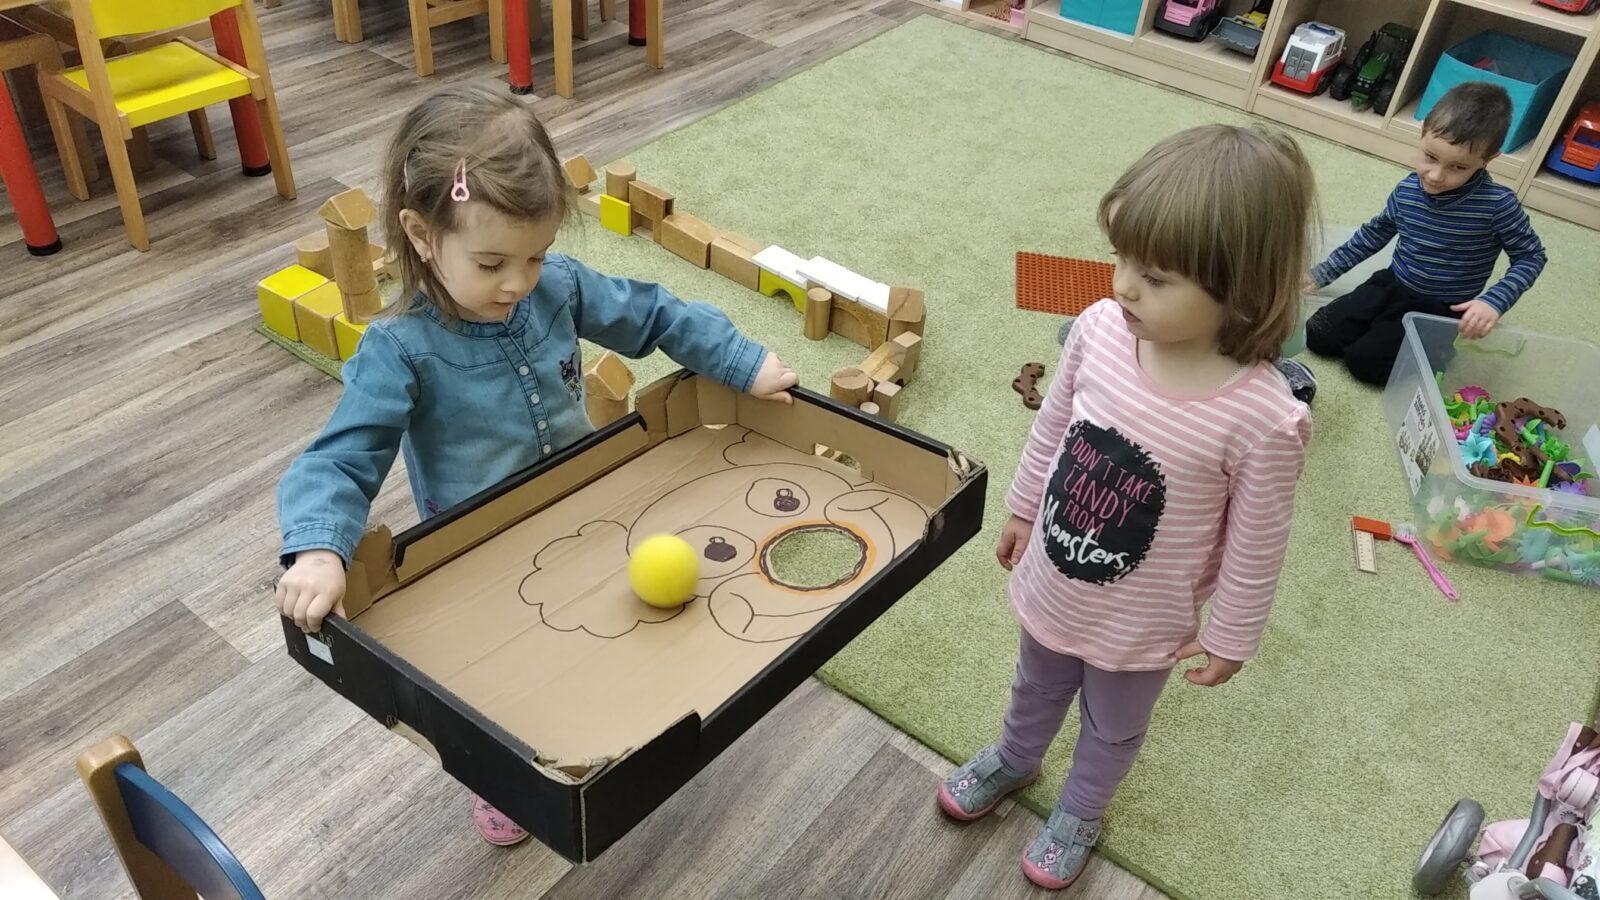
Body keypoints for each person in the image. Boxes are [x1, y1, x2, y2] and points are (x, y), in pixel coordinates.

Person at [274, 84, 797, 847]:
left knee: (596, 625)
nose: (519, 282)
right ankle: (505, 778)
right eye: (491, 262)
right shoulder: (399, 349)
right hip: (479, 551)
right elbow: (341, 456)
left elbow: (654, 312)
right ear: (422, 235)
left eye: (536, 255)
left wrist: (740, 360)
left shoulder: (556, 288)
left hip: (586, 508)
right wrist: (320, 548)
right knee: (503, 679)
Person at [937, 124, 1314, 890]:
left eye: (1157, 277)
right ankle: (1016, 758)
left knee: (1113, 726)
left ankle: (1080, 811)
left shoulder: (1264, 418)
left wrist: (1232, 634)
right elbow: (1053, 426)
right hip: (1057, 574)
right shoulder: (1099, 331)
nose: (1123, 286)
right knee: (1035, 681)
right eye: (1122, 258)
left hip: (1145, 619)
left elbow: (1258, 541)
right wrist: (1022, 507)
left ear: (1240, 289)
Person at [1306, 81, 1545, 386]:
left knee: (1363, 364)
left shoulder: (1498, 205)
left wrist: (1494, 301)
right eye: (1430, 157)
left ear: (1488, 160)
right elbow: (1373, 235)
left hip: (1442, 307)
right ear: (1422, 135)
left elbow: (1531, 257)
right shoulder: (1408, 189)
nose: (1435, 176)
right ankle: (1386, 333)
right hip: (1393, 282)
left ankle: (1435, 351)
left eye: (1458, 167)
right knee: (1318, 334)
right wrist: (1323, 273)